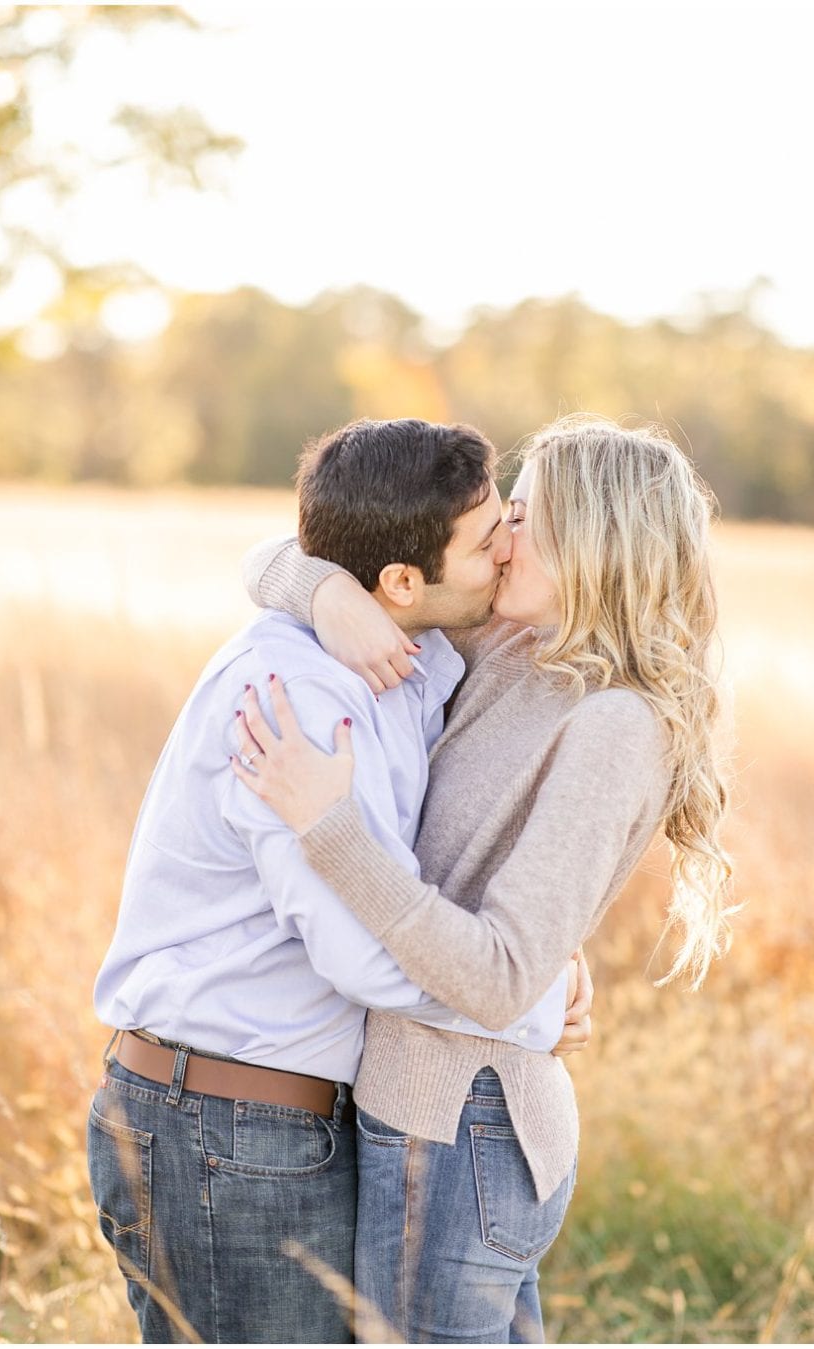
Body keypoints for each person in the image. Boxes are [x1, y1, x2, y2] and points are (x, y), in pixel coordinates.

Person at [231, 413, 735, 1343]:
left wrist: (328, 827)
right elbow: (272, 560)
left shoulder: (617, 725)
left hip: (466, 1133)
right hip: (427, 1120)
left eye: (524, 515)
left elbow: (500, 975)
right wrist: (331, 594)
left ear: (591, 538)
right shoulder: (510, 648)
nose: (501, 533)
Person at [88, 418, 589, 1344]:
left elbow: (283, 559)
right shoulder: (302, 699)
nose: (510, 548)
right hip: (224, 1132)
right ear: (401, 580)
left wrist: (318, 585)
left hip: (258, 1123)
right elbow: (361, 956)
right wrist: (530, 995)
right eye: (488, 541)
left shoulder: (409, 655)